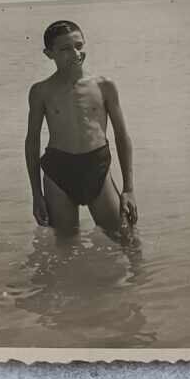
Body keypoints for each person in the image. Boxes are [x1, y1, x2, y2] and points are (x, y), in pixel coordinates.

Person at [24, 19, 138, 235]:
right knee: (65, 245)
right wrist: (36, 195)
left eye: (79, 46)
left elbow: (122, 136)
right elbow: (32, 142)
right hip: (58, 171)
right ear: (49, 53)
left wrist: (128, 189)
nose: (75, 54)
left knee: (125, 238)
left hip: (97, 167)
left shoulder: (104, 86)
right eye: (65, 49)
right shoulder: (41, 91)